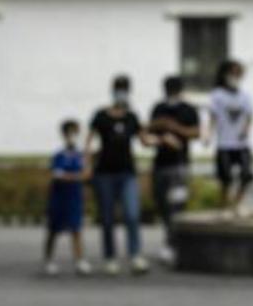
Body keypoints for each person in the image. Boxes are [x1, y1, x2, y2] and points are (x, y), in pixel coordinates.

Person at [85, 73, 158, 275]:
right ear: (113, 91)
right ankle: (110, 257)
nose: (121, 94)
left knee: (132, 214)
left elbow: (144, 140)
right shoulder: (101, 116)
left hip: (127, 172)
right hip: (104, 173)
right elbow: (89, 141)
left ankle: (135, 255)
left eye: (124, 89)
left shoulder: (132, 116)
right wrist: (87, 164)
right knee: (107, 218)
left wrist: (162, 139)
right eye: (119, 89)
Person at [148, 75, 200, 265]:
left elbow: (196, 132)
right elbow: (148, 129)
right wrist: (159, 126)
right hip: (160, 163)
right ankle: (170, 239)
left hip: (180, 164)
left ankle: (173, 244)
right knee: (162, 205)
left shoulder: (188, 109)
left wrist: (175, 127)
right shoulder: (159, 108)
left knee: (176, 205)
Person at [43, 119, 91, 276]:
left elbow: (86, 174)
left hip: (74, 197)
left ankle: (79, 260)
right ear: (64, 135)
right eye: (69, 133)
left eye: (75, 133)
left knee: (76, 230)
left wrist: (72, 176)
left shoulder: (80, 155)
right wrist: (75, 176)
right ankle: (49, 260)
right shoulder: (58, 155)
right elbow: (56, 175)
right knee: (53, 230)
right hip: (59, 197)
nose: (72, 137)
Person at [207, 60, 253, 218]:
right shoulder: (217, 95)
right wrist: (209, 133)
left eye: (238, 74)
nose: (235, 77)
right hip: (224, 144)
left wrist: (246, 130)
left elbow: (249, 116)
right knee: (225, 178)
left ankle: (238, 203)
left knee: (247, 175)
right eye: (233, 73)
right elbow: (212, 117)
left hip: (241, 144)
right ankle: (224, 206)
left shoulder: (245, 96)